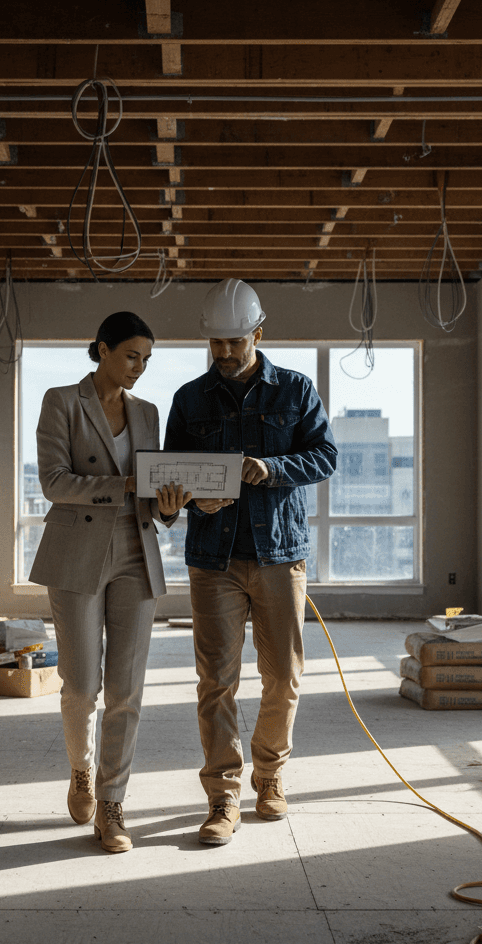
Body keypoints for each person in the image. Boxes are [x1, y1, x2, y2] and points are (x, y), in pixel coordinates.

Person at [163, 279, 337, 845]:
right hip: (213, 559)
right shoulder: (189, 399)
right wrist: (190, 499)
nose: (224, 352)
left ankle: (270, 775)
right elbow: (169, 478)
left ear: (258, 334)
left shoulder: (296, 389)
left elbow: (325, 455)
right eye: (215, 343)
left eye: (234, 342)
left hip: (278, 554)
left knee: (283, 676)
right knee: (216, 681)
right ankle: (223, 794)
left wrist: (273, 468)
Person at [29, 312, 190, 854]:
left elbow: (153, 493)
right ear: (102, 349)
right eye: (131, 355)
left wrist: (170, 505)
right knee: (81, 686)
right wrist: (122, 485)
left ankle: (112, 802)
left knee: (127, 689)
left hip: (136, 551)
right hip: (77, 550)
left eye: (147, 359)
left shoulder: (147, 412)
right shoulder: (61, 401)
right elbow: (54, 482)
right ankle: (81, 768)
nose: (139, 367)